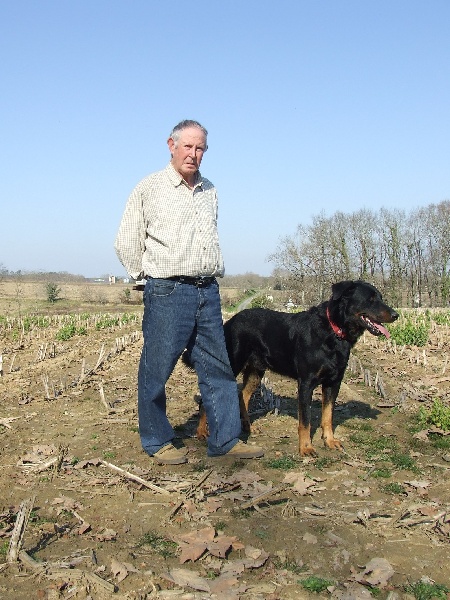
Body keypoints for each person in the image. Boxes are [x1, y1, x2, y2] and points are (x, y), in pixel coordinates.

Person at [114, 119, 264, 465]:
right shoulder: (149, 188)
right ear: (171, 144)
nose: (194, 154)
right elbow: (126, 240)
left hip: (206, 290)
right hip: (168, 291)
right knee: (157, 367)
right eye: (188, 147)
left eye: (200, 149)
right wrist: (147, 278)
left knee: (218, 365)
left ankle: (225, 439)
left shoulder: (210, 189)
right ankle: (156, 439)